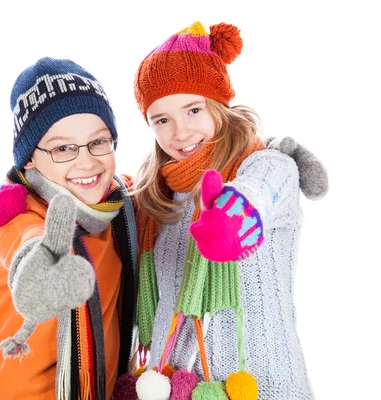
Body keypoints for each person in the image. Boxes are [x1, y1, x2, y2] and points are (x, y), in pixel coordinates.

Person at [131, 21, 316, 399]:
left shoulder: (269, 165)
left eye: (193, 109)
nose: (180, 133)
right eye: (161, 120)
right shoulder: (157, 197)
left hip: (264, 386)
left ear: (218, 104)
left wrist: (231, 218)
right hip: (173, 386)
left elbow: (256, 195)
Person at [0, 57, 139, 400]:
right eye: (63, 148)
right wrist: (38, 265)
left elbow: (177, 189)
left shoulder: (117, 207)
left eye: (99, 142)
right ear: (30, 158)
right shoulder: (19, 217)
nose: (87, 161)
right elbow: (27, 247)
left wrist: (260, 156)